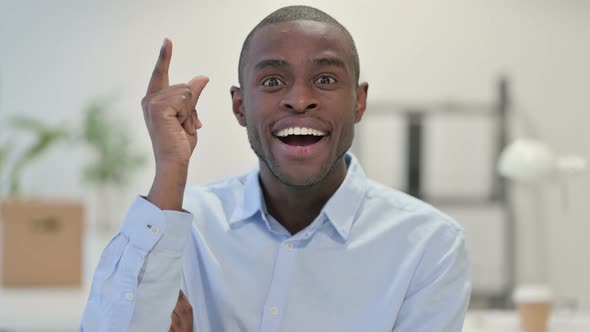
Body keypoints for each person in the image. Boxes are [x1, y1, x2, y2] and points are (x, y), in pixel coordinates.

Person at [80, 5, 471, 332]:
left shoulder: (428, 245)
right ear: (240, 107)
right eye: (272, 80)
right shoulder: (181, 230)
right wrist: (170, 166)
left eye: (325, 79)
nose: (300, 100)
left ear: (358, 102)